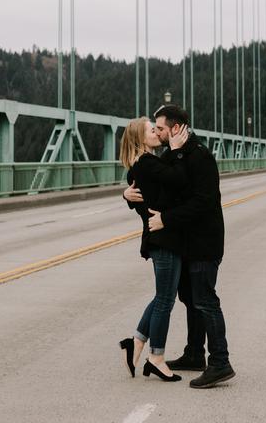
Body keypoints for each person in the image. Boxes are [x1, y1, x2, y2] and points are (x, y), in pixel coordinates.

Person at [124, 104, 236, 389]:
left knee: (205, 301)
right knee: (189, 299)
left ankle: (220, 362)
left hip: (204, 242)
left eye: (160, 128)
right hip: (186, 242)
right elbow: (153, 184)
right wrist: (128, 194)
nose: (158, 132)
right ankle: (194, 354)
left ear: (175, 129)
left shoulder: (199, 157)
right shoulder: (175, 155)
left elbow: (202, 202)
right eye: (154, 129)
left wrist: (167, 219)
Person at [118, 116, 190, 382]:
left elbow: (146, 187)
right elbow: (178, 180)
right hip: (164, 239)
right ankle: (156, 357)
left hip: (160, 238)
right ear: (141, 138)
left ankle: (135, 342)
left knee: (162, 297)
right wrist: (177, 150)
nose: (157, 133)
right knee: (164, 301)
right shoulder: (147, 163)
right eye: (152, 130)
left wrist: (125, 196)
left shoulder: (142, 165)